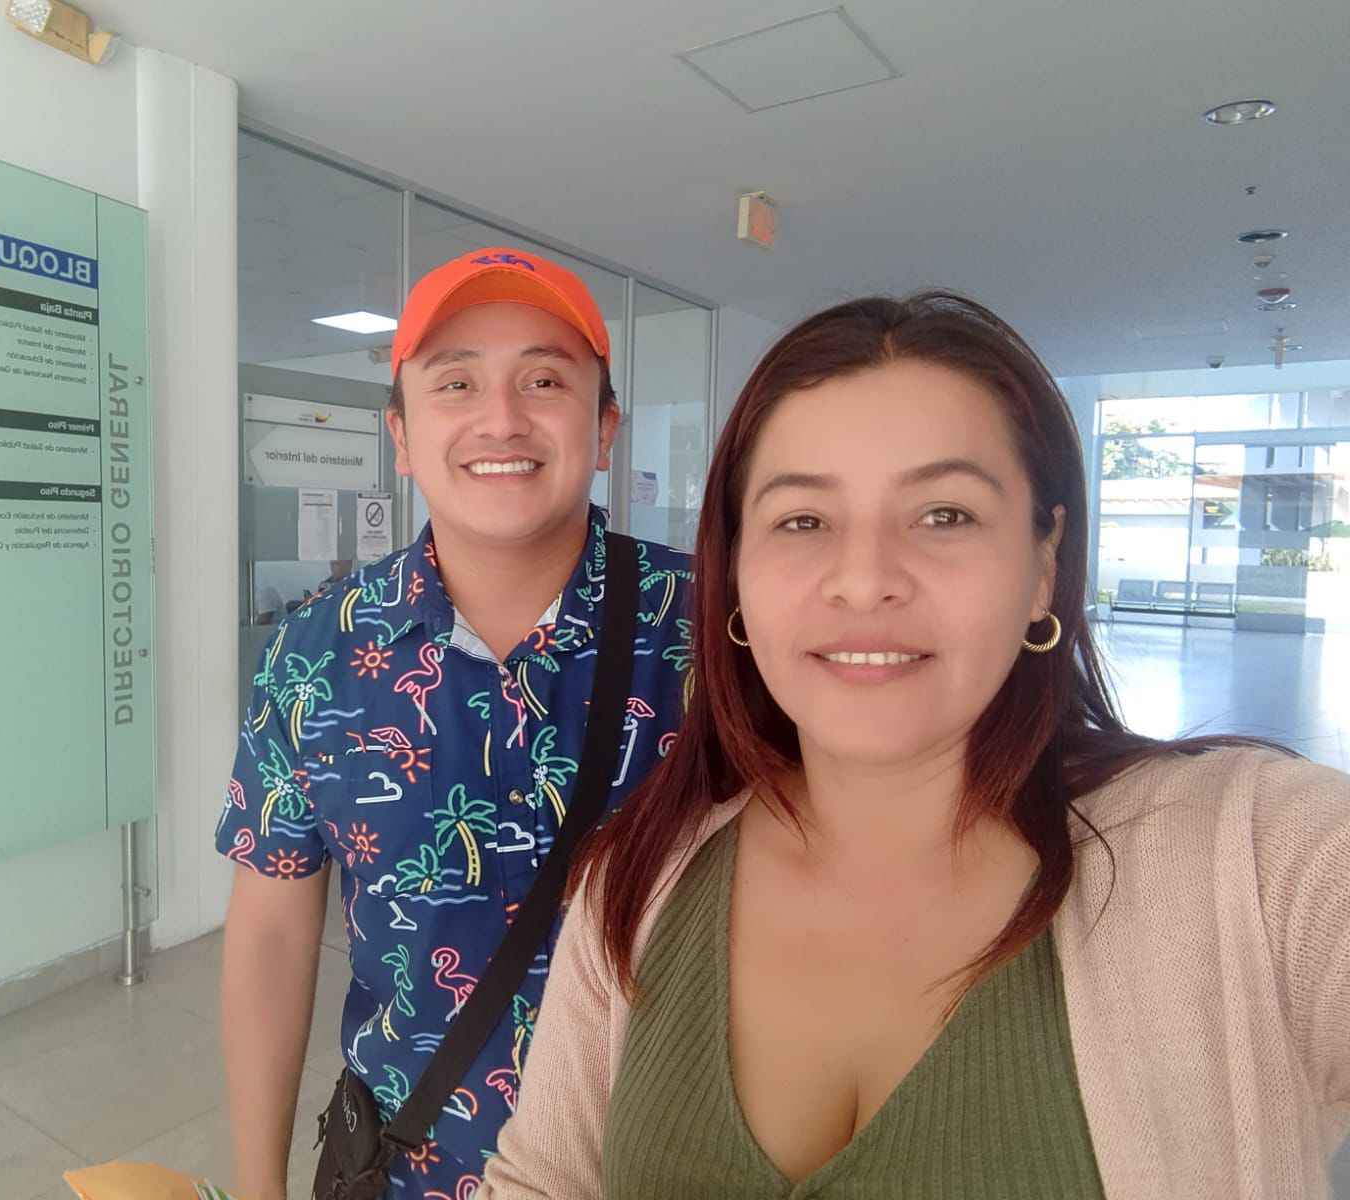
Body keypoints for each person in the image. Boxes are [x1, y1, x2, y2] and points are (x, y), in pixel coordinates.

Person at [479, 294, 1350, 1199]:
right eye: (803, 521)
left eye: (944, 515)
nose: (864, 582)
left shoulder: (1257, 860)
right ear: (734, 571)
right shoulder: (638, 874)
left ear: (1045, 564)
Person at [217, 247, 693, 1200]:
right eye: (457, 383)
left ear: (604, 429)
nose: (502, 418)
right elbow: (270, 928)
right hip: (409, 1168)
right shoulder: (315, 649)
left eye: (545, 380)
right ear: (401, 434)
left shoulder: (715, 629)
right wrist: (258, 1187)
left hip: (672, 1165)